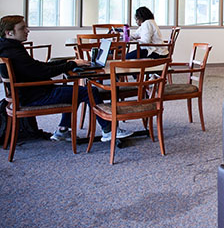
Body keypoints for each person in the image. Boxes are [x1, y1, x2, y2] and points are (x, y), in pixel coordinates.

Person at [0, 15, 132, 142]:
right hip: (34, 95)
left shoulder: (8, 48)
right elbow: (43, 72)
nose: (27, 30)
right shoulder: (14, 52)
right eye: (22, 28)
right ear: (9, 33)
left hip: (27, 93)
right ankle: (109, 131)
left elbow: (37, 67)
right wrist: (71, 64)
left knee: (73, 90)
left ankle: (63, 130)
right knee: (89, 91)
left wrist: (68, 62)